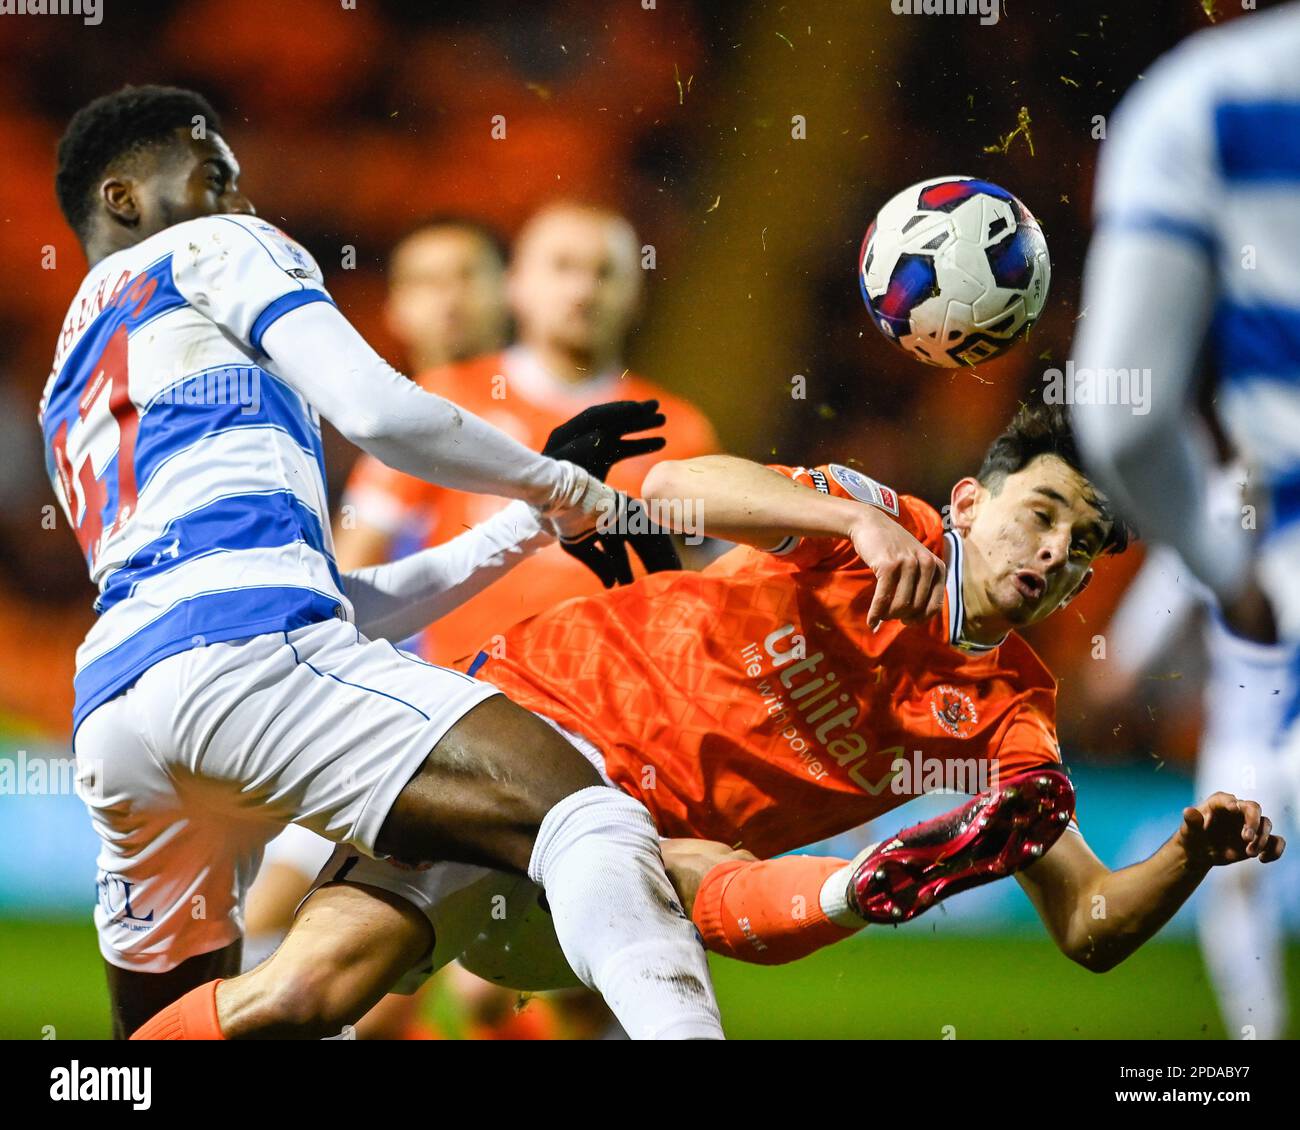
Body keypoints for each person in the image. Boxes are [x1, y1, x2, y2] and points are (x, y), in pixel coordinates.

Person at [134, 402, 1285, 1038]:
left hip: (615, 857)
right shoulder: (867, 520)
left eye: (1081, 548)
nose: (1053, 555)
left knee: (666, 856)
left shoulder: (1003, 711)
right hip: (521, 730)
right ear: (971, 501)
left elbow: (1088, 923)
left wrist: (1186, 849)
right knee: (298, 995)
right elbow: (668, 489)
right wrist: (846, 519)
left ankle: (865, 882)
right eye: (1042, 515)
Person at [46, 83, 725, 1040]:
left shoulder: (69, 378)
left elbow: (329, 596)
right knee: (586, 812)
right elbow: (382, 414)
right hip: (249, 662)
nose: (241, 201)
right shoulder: (221, 249)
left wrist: (523, 520)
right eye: (215, 178)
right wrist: (562, 488)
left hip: (119, 713)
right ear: (125, 198)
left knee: (163, 1043)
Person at [334, 200, 719, 663]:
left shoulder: (679, 430)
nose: (583, 289)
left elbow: (716, 581)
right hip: (462, 703)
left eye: (605, 272)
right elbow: (354, 560)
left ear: (636, 295)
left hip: (614, 709)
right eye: (563, 267)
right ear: (515, 285)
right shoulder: (444, 401)